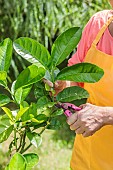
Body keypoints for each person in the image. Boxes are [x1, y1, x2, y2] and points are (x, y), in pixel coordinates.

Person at [63, 0, 113, 169]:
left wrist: (105, 115)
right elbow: (75, 78)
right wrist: (61, 86)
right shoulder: (97, 25)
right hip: (87, 158)